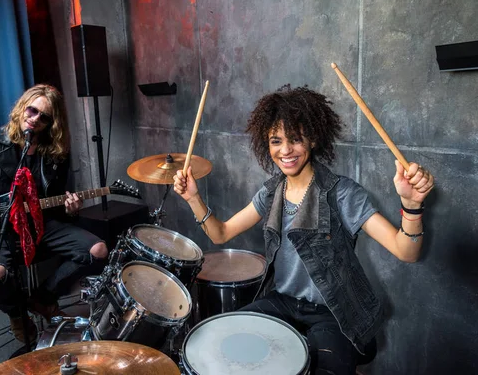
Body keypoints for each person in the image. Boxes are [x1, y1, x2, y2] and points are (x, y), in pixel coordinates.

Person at [173, 85, 434, 375]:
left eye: (295, 139)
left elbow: (406, 251)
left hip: (333, 312)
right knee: (228, 339)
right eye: (276, 141)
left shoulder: (342, 193)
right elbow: (220, 234)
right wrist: (193, 198)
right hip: (283, 302)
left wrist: (411, 206)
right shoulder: (271, 192)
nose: (285, 150)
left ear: (312, 140)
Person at [0, 84, 109, 343]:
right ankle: (17, 311)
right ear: (22, 107)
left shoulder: (56, 154)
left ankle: (43, 299)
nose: (34, 119)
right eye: (32, 110)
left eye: (44, 117)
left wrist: (70, 208)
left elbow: (55, 200)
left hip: (39, 223)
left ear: (51, 123)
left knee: (98, 251)